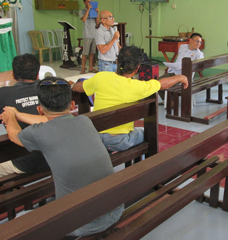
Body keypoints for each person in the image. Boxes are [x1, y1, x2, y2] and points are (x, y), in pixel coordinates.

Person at [1, 76, 123, 237]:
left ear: (40, 109)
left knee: (18, 222)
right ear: (72, 105)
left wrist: (10, 116)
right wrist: (18, 114)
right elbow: (53, 120)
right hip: (116, 210)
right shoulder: (84, 121)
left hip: (83, 224)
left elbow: (13, 134)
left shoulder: (39, 133)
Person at [72, 45, 188, 152]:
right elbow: (161, 84)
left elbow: (79, 87)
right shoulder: (138, 87)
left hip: (95, 137)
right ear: (137, 68)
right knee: (147, 132)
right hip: (120, 141)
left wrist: (72, 85)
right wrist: (180, 77)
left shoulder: (101, 77)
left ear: (117, 62)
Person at [0, 54, 50, 177]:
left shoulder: (3, 94)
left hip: (24, 162)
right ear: (38, 74)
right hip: (54, 155)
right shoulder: (51, 88)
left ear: (13, 75)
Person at [157, 32, 204, 102]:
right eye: (197, 41)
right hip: (173, 71)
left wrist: (186, 68)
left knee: (165, 84)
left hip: (184, 76)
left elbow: (198, 67)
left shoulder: (199, 54)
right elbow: (178, 59)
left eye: (200, 42)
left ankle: (171, 103)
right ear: (190, 40)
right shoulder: (182, 47)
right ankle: (168, 101)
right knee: (157, 83)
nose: (199, 44)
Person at [79, 0, 99, 74]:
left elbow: (97, 22)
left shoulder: (94, 11)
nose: (89, 3)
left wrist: (97, 12)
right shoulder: (82, 11)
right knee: (85, 52)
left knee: (92, 52)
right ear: (84, 2)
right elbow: (83, 20)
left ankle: (91, 68)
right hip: (87, 34)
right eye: (87, 2)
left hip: (94, 34)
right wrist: (88, 10)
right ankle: (83, 68)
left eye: (90, 2)